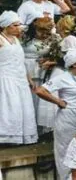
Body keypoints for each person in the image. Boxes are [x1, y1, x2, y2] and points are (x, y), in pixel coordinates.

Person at [35, 50, 76, 179]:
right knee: (66, 149)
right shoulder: (62, 78)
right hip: (68, 116)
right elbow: (40, 90)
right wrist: (58, 101)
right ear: (75, 64)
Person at [0, 11, 37, 144]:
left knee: (21, 106)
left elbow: (21, 60)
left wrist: (29, 78)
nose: (18, 28)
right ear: (6, 26)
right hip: (5, 77)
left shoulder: (16, 39)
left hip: (19, 77)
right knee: (8, 105)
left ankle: (20, 136)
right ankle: (5, 136)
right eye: (15, 25)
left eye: (19, 25)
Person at [22, 13, 63, 132]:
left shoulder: (55, 38)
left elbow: (60, 56)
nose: (44, 34)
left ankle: (40, 128)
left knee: (39, 98)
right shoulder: (24, 36)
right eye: (41, 31)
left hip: (43, 70)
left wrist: (50, 60)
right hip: (26, 67)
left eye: (47, 31)